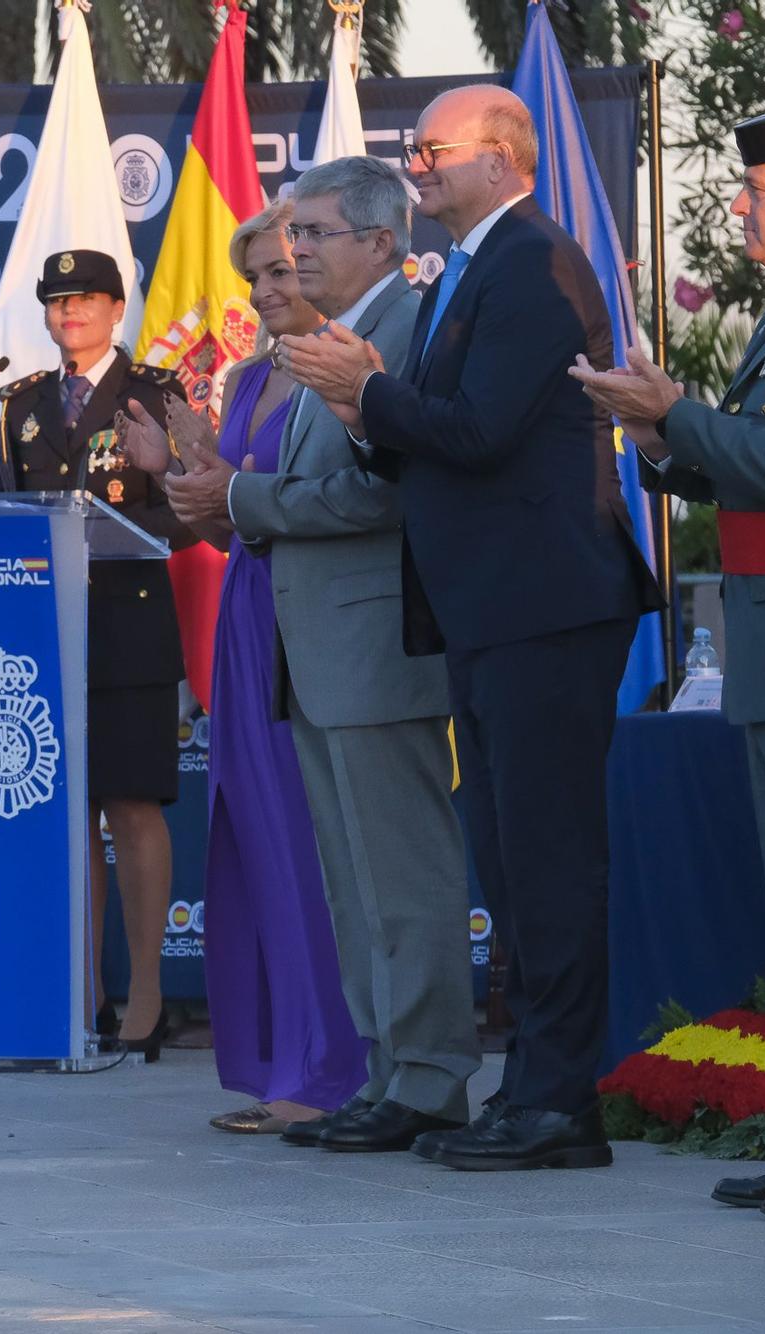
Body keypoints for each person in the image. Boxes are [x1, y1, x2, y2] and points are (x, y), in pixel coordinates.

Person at [282, 84, 662, 1171]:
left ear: (500, 159)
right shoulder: (465, 269)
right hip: (489, 609)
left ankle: (557, 1101)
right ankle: (531, 1088)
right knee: (508, 856)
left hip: (543, 605)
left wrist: (368, 390)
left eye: (432, 148)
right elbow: (433, 437)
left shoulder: (533, 262)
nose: (415, 164)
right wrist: (365, 410)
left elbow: (482, 431)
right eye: (412, 148)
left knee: (545, 861)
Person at [150, 159, 480, 1150]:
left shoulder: (401, 335)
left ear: (380, 241)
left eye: (314, 235)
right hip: (314, 643)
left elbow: (383, 492)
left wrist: (237, 501)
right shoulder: (317, 346)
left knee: (400, 872)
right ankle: (388, 1071)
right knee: (351, 877)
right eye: (290, 237)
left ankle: (427, 1077)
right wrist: (219, 486)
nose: (292, 254)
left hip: (378, 642)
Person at [572, 95, 765, 1221]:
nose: (743, 204)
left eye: (763, 189)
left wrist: (677, 412)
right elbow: (744, 464)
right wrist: (657, 435)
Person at [125, 204, 365, 1133]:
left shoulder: (345, 367)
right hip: (247, 613)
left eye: (286, 271)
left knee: (309, 847)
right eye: (259, 277)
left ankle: (331, 1071)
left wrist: (213, 480)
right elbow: (227, 518)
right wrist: (176, 460)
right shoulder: (250, 376)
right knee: (254, 842)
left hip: (312, 621)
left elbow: (335, 495)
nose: (271, 291)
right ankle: (280, 1067)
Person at [0, 249, 192, 1058]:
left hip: (130, 629)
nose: (69, 313)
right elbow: (6, 509)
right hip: (45, 632)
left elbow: (193, 503)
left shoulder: (156, 394)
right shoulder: (21, 402)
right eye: (56, 302)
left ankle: (146, 996)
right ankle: (80, 991)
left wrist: (131, 532)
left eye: (86, 300)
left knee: (131, 808)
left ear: (117, 309)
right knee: (67, 817)